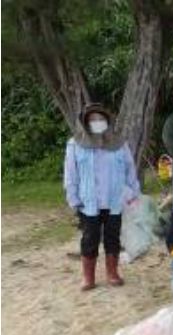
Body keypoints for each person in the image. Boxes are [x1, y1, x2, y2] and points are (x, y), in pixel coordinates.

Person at [64, 103, 141, 290]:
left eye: (101, 119)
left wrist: (134, 193)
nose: (97, 122)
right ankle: (88, 277)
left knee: (113, 237)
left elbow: (130, 169)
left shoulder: (119, 143)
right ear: (85, 121)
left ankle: (112, 273)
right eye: (92, 119)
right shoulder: (75, 143)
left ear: (107, 121)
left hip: (114, 199)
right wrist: (73, 198)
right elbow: (70, 173)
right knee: (89, 238)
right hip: (88, 201)